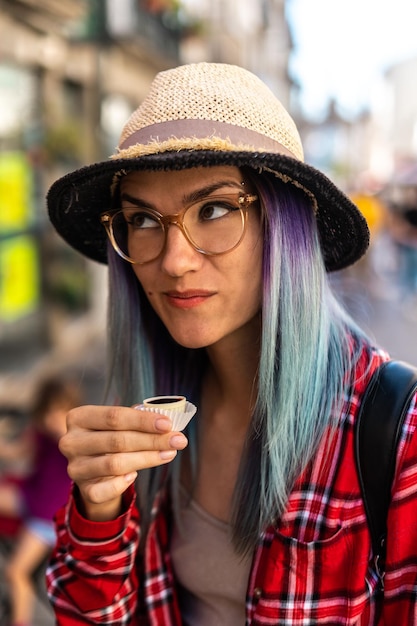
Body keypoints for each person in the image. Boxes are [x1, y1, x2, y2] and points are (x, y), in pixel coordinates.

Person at [45, 62, 417, 625]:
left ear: (283, 227)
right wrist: (100, 510)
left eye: (214, 210)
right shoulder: (151, 413)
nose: (173, 260)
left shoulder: (398, 433)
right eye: (143, 219)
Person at [0, 374, 81, 626]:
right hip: (30, 495)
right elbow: (15, 452)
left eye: (59, 413)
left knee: (16, 572)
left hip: (48, 517)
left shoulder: (76, 438)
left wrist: (67, 434)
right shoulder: (38, 431)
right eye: (48, 413)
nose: (52, 420)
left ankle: (20, 621)